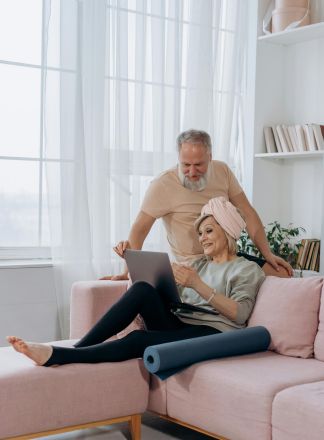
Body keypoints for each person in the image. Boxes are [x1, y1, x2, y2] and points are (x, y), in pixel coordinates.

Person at [7, 197, 265, 367]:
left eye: (209, 231)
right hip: (181, 323)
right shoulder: (198, 264)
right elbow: (167, 292)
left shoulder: (247, 269)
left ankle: (61, 356)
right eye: (200, 233)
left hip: (214, 334)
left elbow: (240, 314)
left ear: (229, 231)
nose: (203, 238)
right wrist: (132, 263)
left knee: (140, 339)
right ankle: (80, 347)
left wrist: (198, 285)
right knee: (143, 289)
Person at [102, 129, 292, 281]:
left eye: (199, 165)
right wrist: (127, 272)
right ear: (178, 158)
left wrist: (268, 254)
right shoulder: (162, 184)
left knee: (282, 274)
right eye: (185, 165)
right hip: (195, 264)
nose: (192, 172)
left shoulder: (223, 171)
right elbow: (140, 228)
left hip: (227, 256)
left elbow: (248, 212)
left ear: (210, 157)